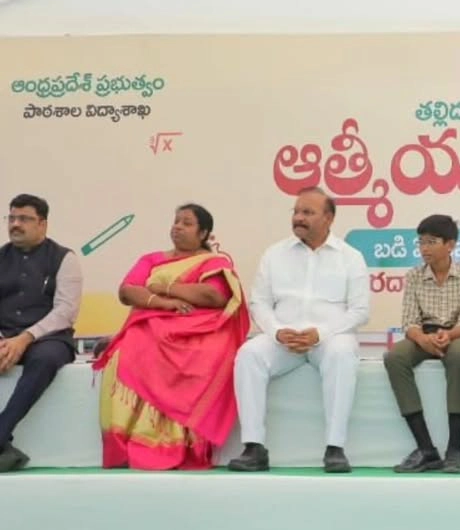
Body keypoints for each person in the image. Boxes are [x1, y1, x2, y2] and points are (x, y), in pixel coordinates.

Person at [93, 204, 250, 470]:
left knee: (206, 355)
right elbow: (128, 291)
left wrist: (167, 287)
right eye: (176, 221)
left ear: (203, 233)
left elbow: (215, 296)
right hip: (152, 323)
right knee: (127, 352)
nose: (177, 227)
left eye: (187, 223)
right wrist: (162, 303)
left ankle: (178, 444)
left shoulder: (213, 263)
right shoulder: (151, 259)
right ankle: (132, 441)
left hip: (198, 330)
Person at [228, 187, 370, 473]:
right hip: (284, 339)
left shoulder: (350, 257)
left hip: (329, 338)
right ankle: (254, 447)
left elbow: (360, 311)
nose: (298, 218)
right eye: (296, 211)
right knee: (249, 354)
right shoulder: (274, 254)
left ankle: (335, 448)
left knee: (342, 354)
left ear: (329, 218)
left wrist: (322, 333)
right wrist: (277, 331)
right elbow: (260, 303)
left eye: (308, 212)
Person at [384, 214, 460, 473]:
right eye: (421, 243)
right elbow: (409, 321)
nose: (424, 248)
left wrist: (448, 336)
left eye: (431, 242)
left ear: (450, 245)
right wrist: (423, 338)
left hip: (457, 335)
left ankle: (455, 447)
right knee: (394, 357)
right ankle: (426, 448)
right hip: (423, 334)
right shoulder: (414, 276)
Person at [0, 194, 82, 472]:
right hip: (4, 336)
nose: (15, 224)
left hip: (49, 338)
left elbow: (65, 311)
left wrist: (25, 338)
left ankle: (1, 432)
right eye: (12, 218)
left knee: (45, 359)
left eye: (24, 219)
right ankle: (5, 449)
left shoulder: (64, 258)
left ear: (43, 224)